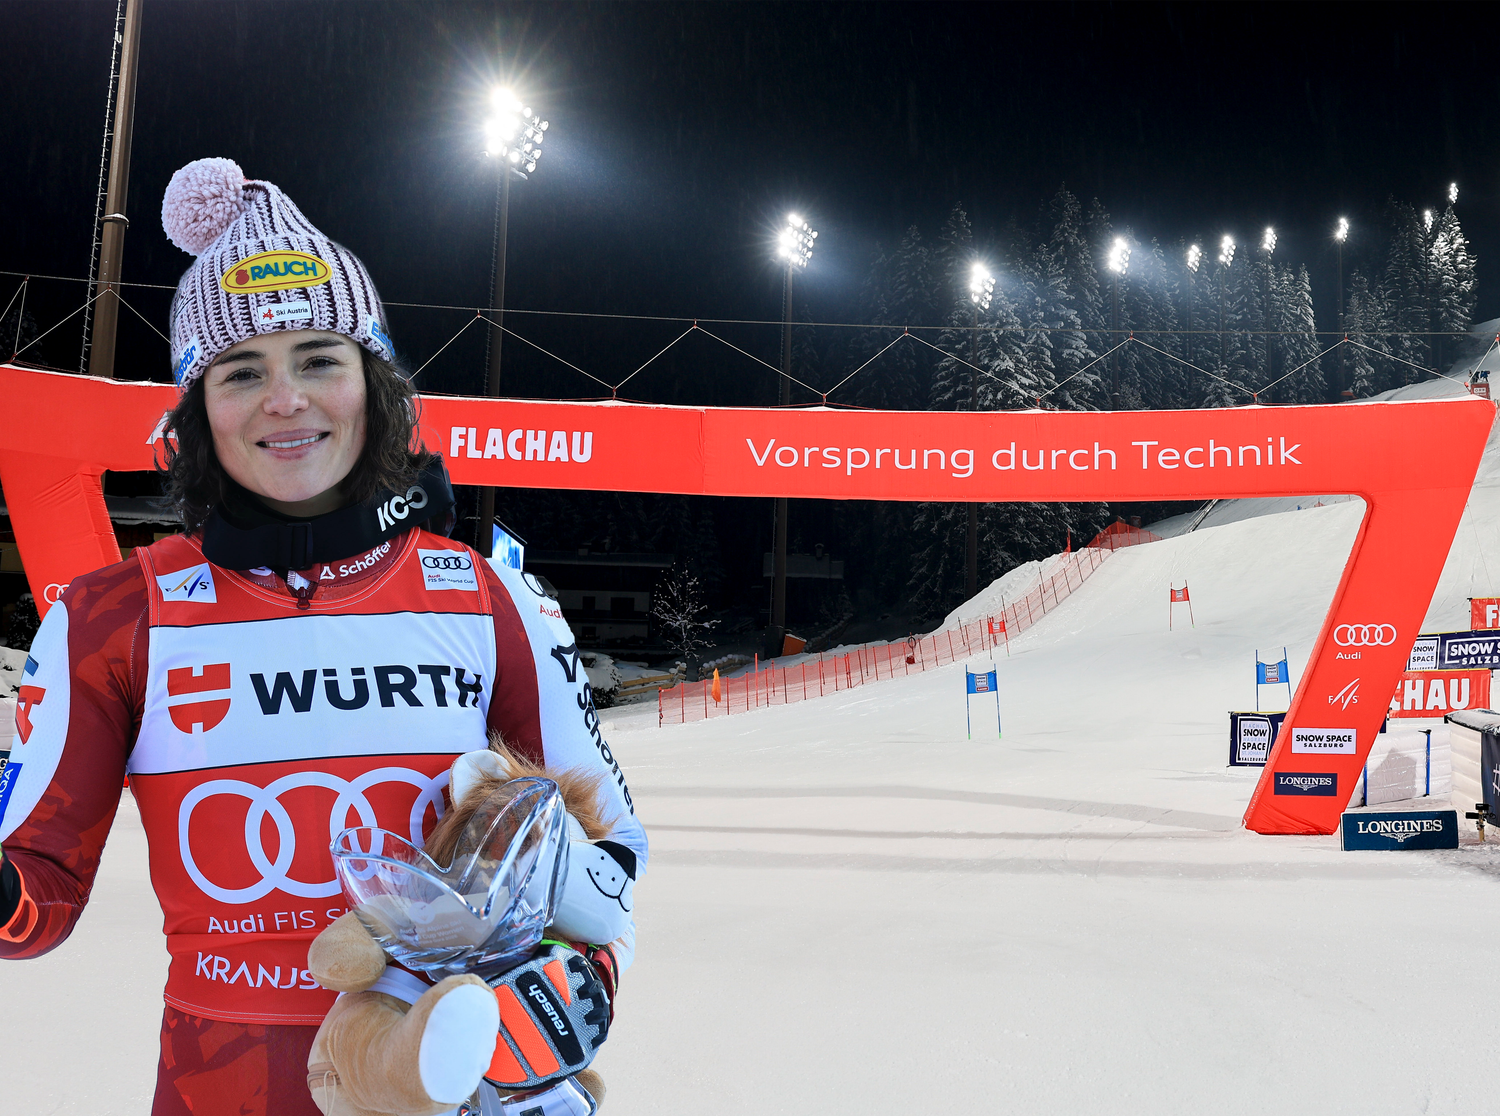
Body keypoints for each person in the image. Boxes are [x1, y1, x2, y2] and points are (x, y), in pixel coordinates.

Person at [0, 158, 644, 1115]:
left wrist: (547, 1014)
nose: (285, 400)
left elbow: (610, 856)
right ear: (194, 411)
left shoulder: (488, 598)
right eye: (241, 371)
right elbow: (32, 903)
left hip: (444, 1086)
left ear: (373, 387)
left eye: (318, 360)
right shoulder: (112, 617)